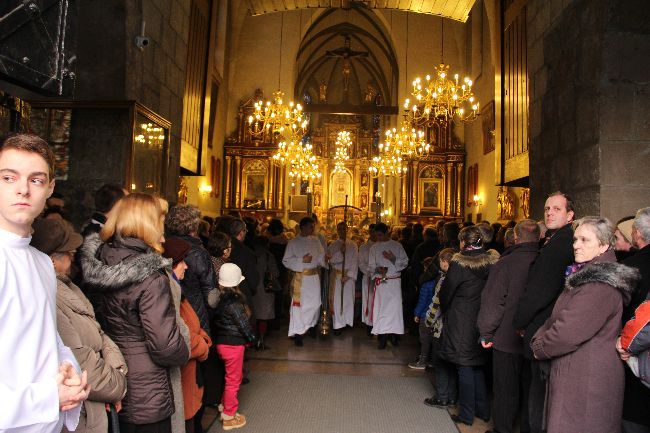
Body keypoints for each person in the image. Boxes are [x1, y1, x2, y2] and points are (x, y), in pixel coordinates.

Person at [0, 133, 89, 433]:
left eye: (36, 180)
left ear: (50, 188)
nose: (23, 190)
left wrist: (70, 373)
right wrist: (47, 397)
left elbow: (47, 340)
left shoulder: (41, 263)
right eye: (9, 178)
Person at [80, 193, 189, 433]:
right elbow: (166, 346)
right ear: (148, 224)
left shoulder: (99, 261)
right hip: (145, 387)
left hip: (107, 373)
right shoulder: (150, 277)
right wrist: (185, 349)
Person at [531, 217, 639, 433]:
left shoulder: (599, 284)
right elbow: (555, 319)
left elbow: (566, 332)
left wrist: (539, 347)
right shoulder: (586, 275)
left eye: (584, 240)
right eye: (575, 239)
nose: (576, 245)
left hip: (586, 378)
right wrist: (541, 336)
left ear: (604, 246)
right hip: (577, 371)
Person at [31, 218, 128, 433]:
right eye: (68, 254)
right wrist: (117, 386)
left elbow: (99, 333)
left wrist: (117, 372)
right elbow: (77, 360)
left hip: (97, 402)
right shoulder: (47, 295)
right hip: (81, 412)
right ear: (51, 260)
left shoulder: (70, 287)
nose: (72, 260)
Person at [513, 191, 575, 433]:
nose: (549, 212)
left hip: (542, 325)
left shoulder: (559, 245)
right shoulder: (556, 239)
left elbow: (539, 291)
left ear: (570, 215)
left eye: (556, 209)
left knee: (537, 396)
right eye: (547, 208)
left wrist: (520, 321)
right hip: (546, 323)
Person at [477, 219, 540, 433]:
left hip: (506, 337)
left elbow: (494, 301)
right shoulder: (545, 260)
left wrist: (486, 332)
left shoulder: (506, 263)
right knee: (530, 388)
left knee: (505, 389)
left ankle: (502, 429)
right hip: (535, 337)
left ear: (515, 238)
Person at [438, 225, 499, 426]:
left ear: (463, 242)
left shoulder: (459, 264)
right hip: (483, 319)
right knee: (477, 365)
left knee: (464, 366)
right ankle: (483, 410)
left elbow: (446, 293)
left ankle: (466, 413)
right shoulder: (492, 262)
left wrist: (444, 307)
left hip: (461, 320)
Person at [163, 237, 212, 433]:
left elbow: (192, 324)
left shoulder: (178, 290)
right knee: (186, 421)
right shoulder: (168, 292)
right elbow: (180, 334)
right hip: (184, 369)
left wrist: (202, 338)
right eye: (181, 262)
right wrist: (202, 345)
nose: (186, 267)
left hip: (191, 370)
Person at [212, 263, 258, 431]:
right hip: (233, 346)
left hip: (222, 343)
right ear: (237, 283)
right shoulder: (235, 303)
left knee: (229, 377)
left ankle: (225, 406)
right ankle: (229, 417)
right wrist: (253, 339)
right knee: (234, 380)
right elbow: (244, 325)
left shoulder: (218, 299)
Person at [165, 204, 217, 337]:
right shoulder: (198, 253)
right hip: (195, 316)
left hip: (168, 313)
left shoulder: (162, 246)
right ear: (194, 227)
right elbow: (210, 293)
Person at [620, 207, 650, 432]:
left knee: (634, 415)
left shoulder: (631, 267)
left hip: (634, 350)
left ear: (638, 233)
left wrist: (624, 343)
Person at [421, 248, 457, 408]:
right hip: (455, 326)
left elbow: (437, 304)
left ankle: (442, 396)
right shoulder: (460, 276)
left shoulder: (444, 279)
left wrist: (428, 321)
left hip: (441, 327)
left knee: (440, 363)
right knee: (452, 363)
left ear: (444, 262)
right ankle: (451, 396)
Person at [282, 216, 325, 346]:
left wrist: (326, 258)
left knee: (315, 304)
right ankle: (298, 332)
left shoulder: (316, 240)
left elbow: (320, 256)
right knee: (299, 306)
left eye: (313, 226)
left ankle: (310, 325)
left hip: (314, 278)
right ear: (303, 227)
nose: (313, 229)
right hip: (301, 278)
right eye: (310, 226)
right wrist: (302, 260)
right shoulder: (293, 242)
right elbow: (286, 260)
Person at [369, 222, 409, 349]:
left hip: (394, 281)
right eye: (377, 236)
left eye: (381, 235)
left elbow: (405, 263)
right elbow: (370, 266)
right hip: (381, 282)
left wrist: (393, 259)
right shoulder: (374, 248)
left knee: (394, 310)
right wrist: (378, 270)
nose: (379, 238)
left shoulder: (397, 245)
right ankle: (382, 337)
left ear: (387, 233)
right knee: (381, 309)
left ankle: (394, 335)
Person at [327, 221, 359, 335]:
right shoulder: (333, 245)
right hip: (336, 276)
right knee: (337, 301)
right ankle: (338, 325)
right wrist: (340, 253)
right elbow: (329, 261)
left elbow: (355, 261)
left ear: (347, 229)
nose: (342, 231)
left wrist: (349, 275)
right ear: (337, 230)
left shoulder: (353, 245)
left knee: (347, 300)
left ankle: (346, 322)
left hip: (348, 277)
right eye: (339, 229)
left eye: (344, 229)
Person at [251, 235, 279, 348]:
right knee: (263, 317)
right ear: (267, 244)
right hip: (265, 290)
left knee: (253, 315)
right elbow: (275, 273)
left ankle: (252, 339)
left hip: (252, 289)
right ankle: (261, 340)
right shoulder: (268, 256)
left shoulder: (250, 254)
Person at [358, 224, 377, 333]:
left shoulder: (381, 246)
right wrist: (369, 272)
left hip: (379, 278)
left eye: (375, 232)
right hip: (368, 277)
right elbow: (361, 263)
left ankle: (377, 322)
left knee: (377, 300)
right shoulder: (364, 247)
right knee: (368, 300)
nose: (373, 234)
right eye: (371, 232)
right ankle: (368, 323)